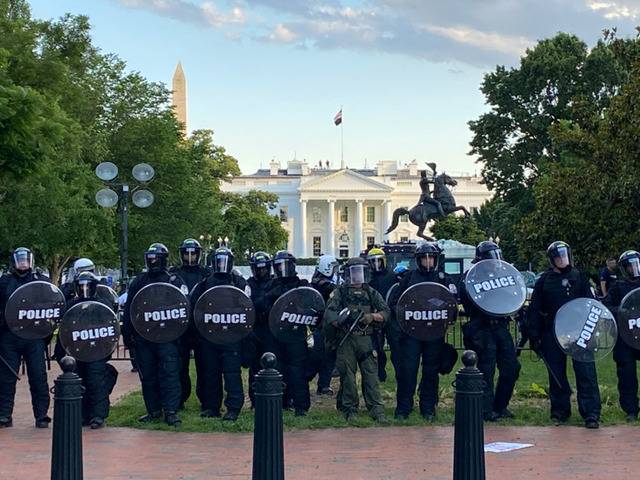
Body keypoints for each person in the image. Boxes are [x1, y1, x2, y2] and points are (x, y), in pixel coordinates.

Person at [528, 241, 601, 429]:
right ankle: (560, 411)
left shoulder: (579, 277)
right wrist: (534, 335)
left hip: (578, 331)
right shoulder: (544, 280)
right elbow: (535, 309)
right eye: (558, 256)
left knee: (586, 372)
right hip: (552, 331)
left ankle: (591, 413)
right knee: (556, 373)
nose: (562, 259)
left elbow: (590, 304)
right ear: (552, 259)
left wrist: (591, 329)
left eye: (564, 255)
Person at [388, 242, 457, 420]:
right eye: (425, 258)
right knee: (408, 371)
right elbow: (396, 303)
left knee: (431, 371)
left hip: (434, 334)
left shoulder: (443, 278)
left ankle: (428, 408)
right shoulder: (409, 278)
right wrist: (408, 314)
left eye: (431, 258)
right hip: (412, 334)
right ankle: (403, 408)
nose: (428, 261)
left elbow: (453, 303)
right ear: (418, 260)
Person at [122, 243, 187, 427]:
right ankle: (153, 410)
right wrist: (128, 335)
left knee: (169, 374)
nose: (153, 262)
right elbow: (129, 310)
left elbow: (184, 308)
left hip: (168, 337)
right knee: (148, 375)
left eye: (156, 258)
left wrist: (181, 336)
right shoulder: (139, 281)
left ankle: (171, 411)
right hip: (144, 337)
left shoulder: (174, 280)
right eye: (150, 258)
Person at [322, 257, 389, 422]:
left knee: (371, 376)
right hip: (347, 339)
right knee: (348, 377)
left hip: (366, 339)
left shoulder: (371, 292)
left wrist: (371, 316)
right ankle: (349, 408)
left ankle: (376, 409)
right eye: (354, 272)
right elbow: (329, 313)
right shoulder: (340, 292)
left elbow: (386, 312)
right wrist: (341, 321)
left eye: (360, 272)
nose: (357, 276)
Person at [460, 241, 521, 421]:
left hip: (501, 326)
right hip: (481, 328)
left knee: (512, 367)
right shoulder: (470, 277)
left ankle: (500, 406)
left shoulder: (503, 276)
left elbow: (513, 296)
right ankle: (486, 410)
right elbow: (468, 301)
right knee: (486, 370)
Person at [189, 247, 246, 421]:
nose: (222, 265)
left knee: (232, 373)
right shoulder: (204, 283)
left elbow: (248, 308)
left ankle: (233, 407)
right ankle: (211, 406)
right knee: (210, 372)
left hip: (232, 336)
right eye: (219, 261)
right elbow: (194, 309)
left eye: (225, 261)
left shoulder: (239, 282)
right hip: (209, 335)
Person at [56, 272, 118, 429]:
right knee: (79, 381)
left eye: (87, 286)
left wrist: (106, 351)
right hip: (76, 350)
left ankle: (98, 416)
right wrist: (60, 352)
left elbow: (111, 329)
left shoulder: (103, 304)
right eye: (81, 286)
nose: (84, 289)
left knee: (96, 382)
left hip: (96, 350)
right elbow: (64, 330)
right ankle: (82, 415)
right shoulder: (70, 305)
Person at [0, 248, 51, 428]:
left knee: (38, 376)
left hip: (33, 336)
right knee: (6, 378)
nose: (23, 263)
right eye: (19, 259)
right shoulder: (4, 282)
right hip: (9, 336)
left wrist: (45, 334)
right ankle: (4, 414)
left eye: (25, 259)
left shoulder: (40, 281)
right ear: (13, 261)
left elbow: (50, 307)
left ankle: (41, 415)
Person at [263, 251, 311, 416]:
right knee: (277, 370)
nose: (282, 269)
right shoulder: (270, 285)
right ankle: (279, 403)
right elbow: (258, 306)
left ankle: (301, 406)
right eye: (279, 266)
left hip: (295, 334)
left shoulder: (302, 284)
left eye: (285, 265)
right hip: (275, 334)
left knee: (298, 371)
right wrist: (271, 295)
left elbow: (312, 306)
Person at [170, 238, 209, 409]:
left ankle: (206, 400)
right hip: (180, 326)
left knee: (205, 365)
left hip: (201, 325)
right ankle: (179, 399)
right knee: (180, 366)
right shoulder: (175, 274)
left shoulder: (206, 273)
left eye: (193, 253)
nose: (190, 257)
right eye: (187, 253)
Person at [603, 250, 640, 422]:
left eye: (637, 265)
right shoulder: (618, 287)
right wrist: (622, 311)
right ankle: (631, 409)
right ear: (624, 269)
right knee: (627, 375)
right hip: (625, 337)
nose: (635, 269)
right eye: (630, 266)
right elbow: (607, 308)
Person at [246, 251, 274, 406]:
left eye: (264, 268)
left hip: (271, 329)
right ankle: (255, 400)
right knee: (254, 366)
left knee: (275, 363)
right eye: (258, 269)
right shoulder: (248, 284)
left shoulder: (274, 282)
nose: (261, 271)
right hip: (254, 328)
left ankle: (278, 397)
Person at [309, 254, 339, 395]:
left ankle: (324, 385)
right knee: (316, 356)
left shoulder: (321, 283)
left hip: (329, 326)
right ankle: (306, 379)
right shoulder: (322, 285)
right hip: (319, 326)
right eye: (333, 268)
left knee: (330, 357)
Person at [366, 247, 397, 382]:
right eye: (372, 262)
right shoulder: (368, 279)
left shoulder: (392, 276)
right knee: (377, 348)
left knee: (396, 347)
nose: (376, 264)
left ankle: (399, 372)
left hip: (390, 317)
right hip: (375, 317)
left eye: (378, 261)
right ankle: (380, 373)